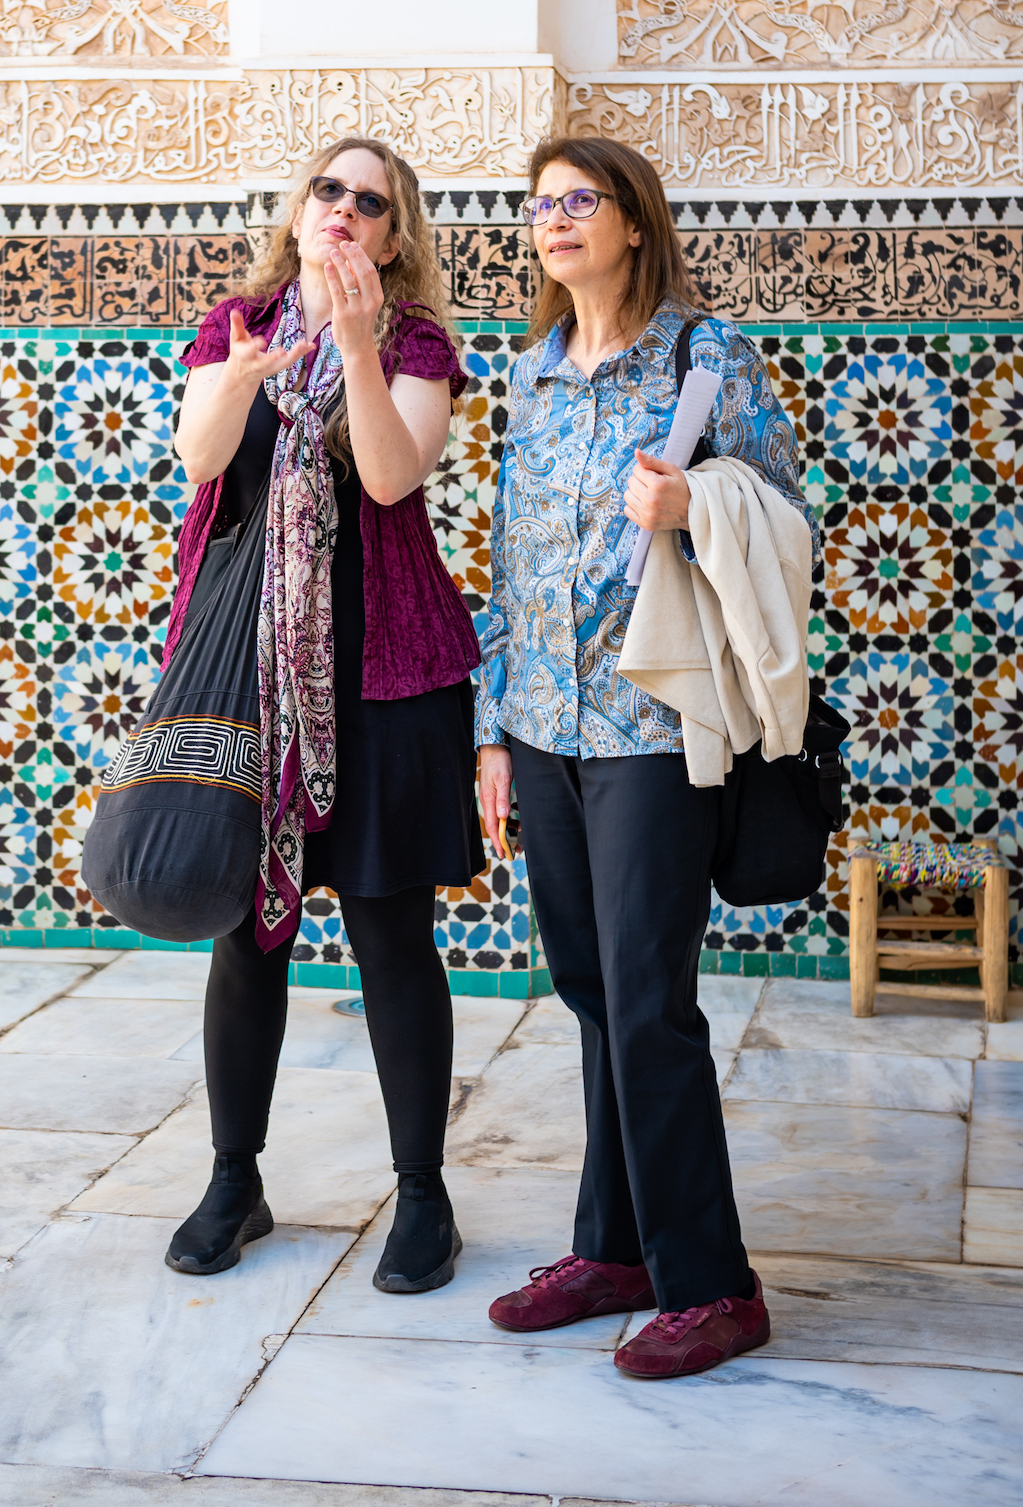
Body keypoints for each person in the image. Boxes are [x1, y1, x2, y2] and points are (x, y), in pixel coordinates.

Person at [476, 134, 817, 1380]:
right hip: (546, 730)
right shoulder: (529, 373)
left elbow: (790, 519)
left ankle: (713, 1281)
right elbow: (510, 557)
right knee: (590, 991)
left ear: (631, 222)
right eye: (541, 205)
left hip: (657, 728)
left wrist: (696, 505)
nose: (555, 220)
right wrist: (494, 728)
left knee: (648, 1003)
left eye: (581, 200)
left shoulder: (706, 356)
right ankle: (613, 1248)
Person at [164, 137, 482, 1292]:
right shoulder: (234, 323)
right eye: (329, 190)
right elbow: (202, 457)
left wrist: (352, 346)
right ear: (300, 212)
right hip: (249, 676)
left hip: (387, 678)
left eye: (373, 201)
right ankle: (233, 1180)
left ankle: (424, 1199)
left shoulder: (417, 346)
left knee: (395, 939)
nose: (345, 208)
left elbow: (395, 477)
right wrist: (243, 376)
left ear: (396, 237)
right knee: (247, 936)